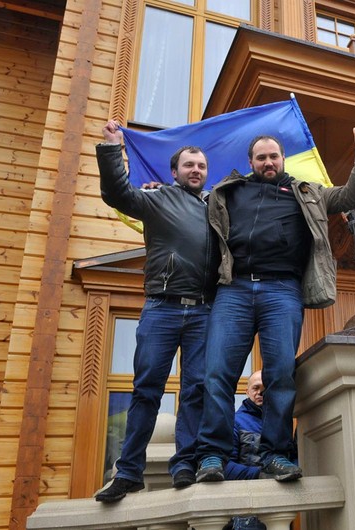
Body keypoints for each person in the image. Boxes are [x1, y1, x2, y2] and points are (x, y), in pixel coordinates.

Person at [195, 128, 355, 483]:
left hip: (282, 291)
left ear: (282, 159)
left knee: (280, 375)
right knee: (217, 374)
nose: (267, 162)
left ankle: (276, 455)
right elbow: (190, 204)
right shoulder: (228, 192)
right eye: (261, 157)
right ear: (251, 163)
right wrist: (160, 191)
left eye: (273, 156)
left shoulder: (306, 193)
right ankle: (211, 455)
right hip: (235, 289)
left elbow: (351, 196)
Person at [93, 120, 219, 502]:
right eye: (188, 165)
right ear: (174, 171)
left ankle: (186, 464)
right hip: (162, 309)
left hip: (204, 312)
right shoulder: (158, 198)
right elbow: (117, 193)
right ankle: (128, 471)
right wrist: (113, 148)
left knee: (196, 390)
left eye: (200, 166)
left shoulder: (219, 205)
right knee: (147, 391)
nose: (195, 170)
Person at [222, 370, 268, 530]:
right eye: (255, 388)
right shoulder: (235, 422)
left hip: (276, 504)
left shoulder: (281, 422)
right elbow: (226, 467)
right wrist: (261, 475)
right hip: (243, 510)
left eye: (265, 388)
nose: (260, 392)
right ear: (246, 391)